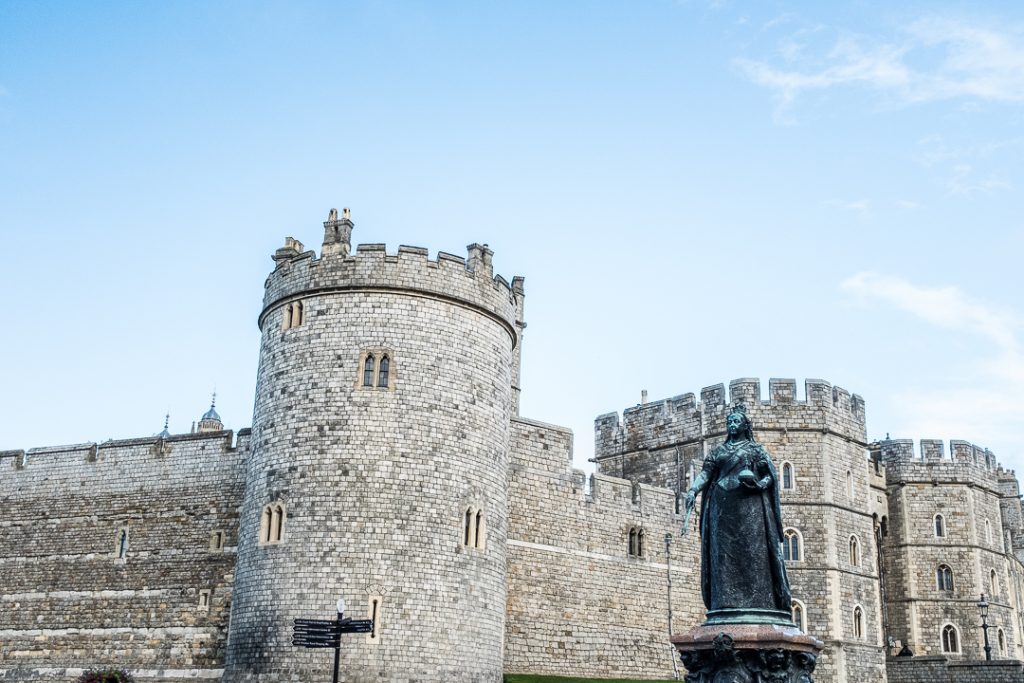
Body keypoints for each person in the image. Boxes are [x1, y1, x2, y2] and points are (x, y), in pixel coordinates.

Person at [684, 403, 792, 623]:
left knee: (754, 554)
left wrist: (760, 484)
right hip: (722, 508)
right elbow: (705, 474)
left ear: (745, 425)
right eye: (729, 422)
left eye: (736, 421)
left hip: (750, 508)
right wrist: (693, 490)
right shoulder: (718, 452)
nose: (732, 425)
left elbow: (769, 476)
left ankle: (759, 603)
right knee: (722, 558)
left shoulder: (756, 450)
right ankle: (725, 603)